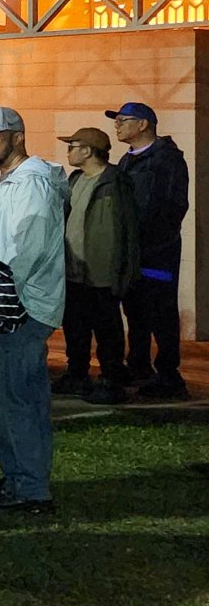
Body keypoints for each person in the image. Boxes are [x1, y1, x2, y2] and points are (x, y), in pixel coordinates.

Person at [0, 106, 68, 514]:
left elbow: (25, 248)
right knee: (3, 397)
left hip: (21, 307)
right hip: (7, 304)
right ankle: (18, 478)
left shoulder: (32, 184)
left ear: (18, 136)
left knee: (17, 398)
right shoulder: (9, 182)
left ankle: (30, 488)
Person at [110, 101, 191, 399]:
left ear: (143, 124)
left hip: (157, 253)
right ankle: (140, 366)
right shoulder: (128, 160)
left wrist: (147, 241)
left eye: (123, 120)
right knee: (136, 310)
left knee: (162, 312)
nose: (117, 125)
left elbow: (171, 207)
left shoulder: (165, 160)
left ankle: (170, 375)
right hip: (133, 252)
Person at [56, 127, 137, 405]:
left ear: (88, 150)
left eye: (73, 145)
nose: (69, 151)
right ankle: (77, 374)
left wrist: (123, 271)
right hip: (74, 271)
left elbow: (128, 231)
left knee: (107, 330)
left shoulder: (115, 182)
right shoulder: (76, 179)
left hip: (102, 273)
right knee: (75, 328)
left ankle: (112, 379)